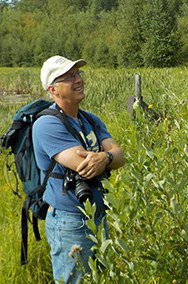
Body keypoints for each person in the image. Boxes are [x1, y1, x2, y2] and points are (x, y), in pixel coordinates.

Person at [33, 55, 125, 283]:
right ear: (52, 89)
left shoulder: (90, 119)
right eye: (69, 76)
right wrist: (106, 157)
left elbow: (120, 156)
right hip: (70, 222)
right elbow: (85, 165)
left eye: (79, 74)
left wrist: (105, 156)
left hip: (100, 217)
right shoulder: (46, 124)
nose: (78, 80)